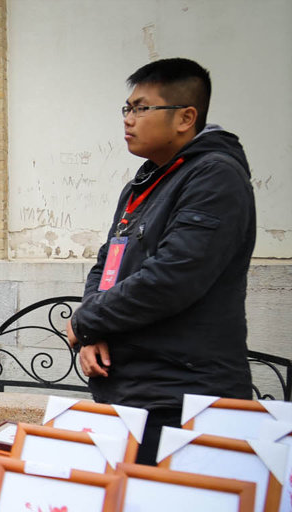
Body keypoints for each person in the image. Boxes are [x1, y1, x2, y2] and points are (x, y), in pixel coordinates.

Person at [67, 58, 256, 464]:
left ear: (186, 117)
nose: (128, 119)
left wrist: (87, 321)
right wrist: (91, 329)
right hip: (131, 391)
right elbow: (107, 264)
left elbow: (173, 277)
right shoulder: (145, 182)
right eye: (127, 108)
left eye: (141, 108)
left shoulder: (215, 177)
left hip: (183, 398)